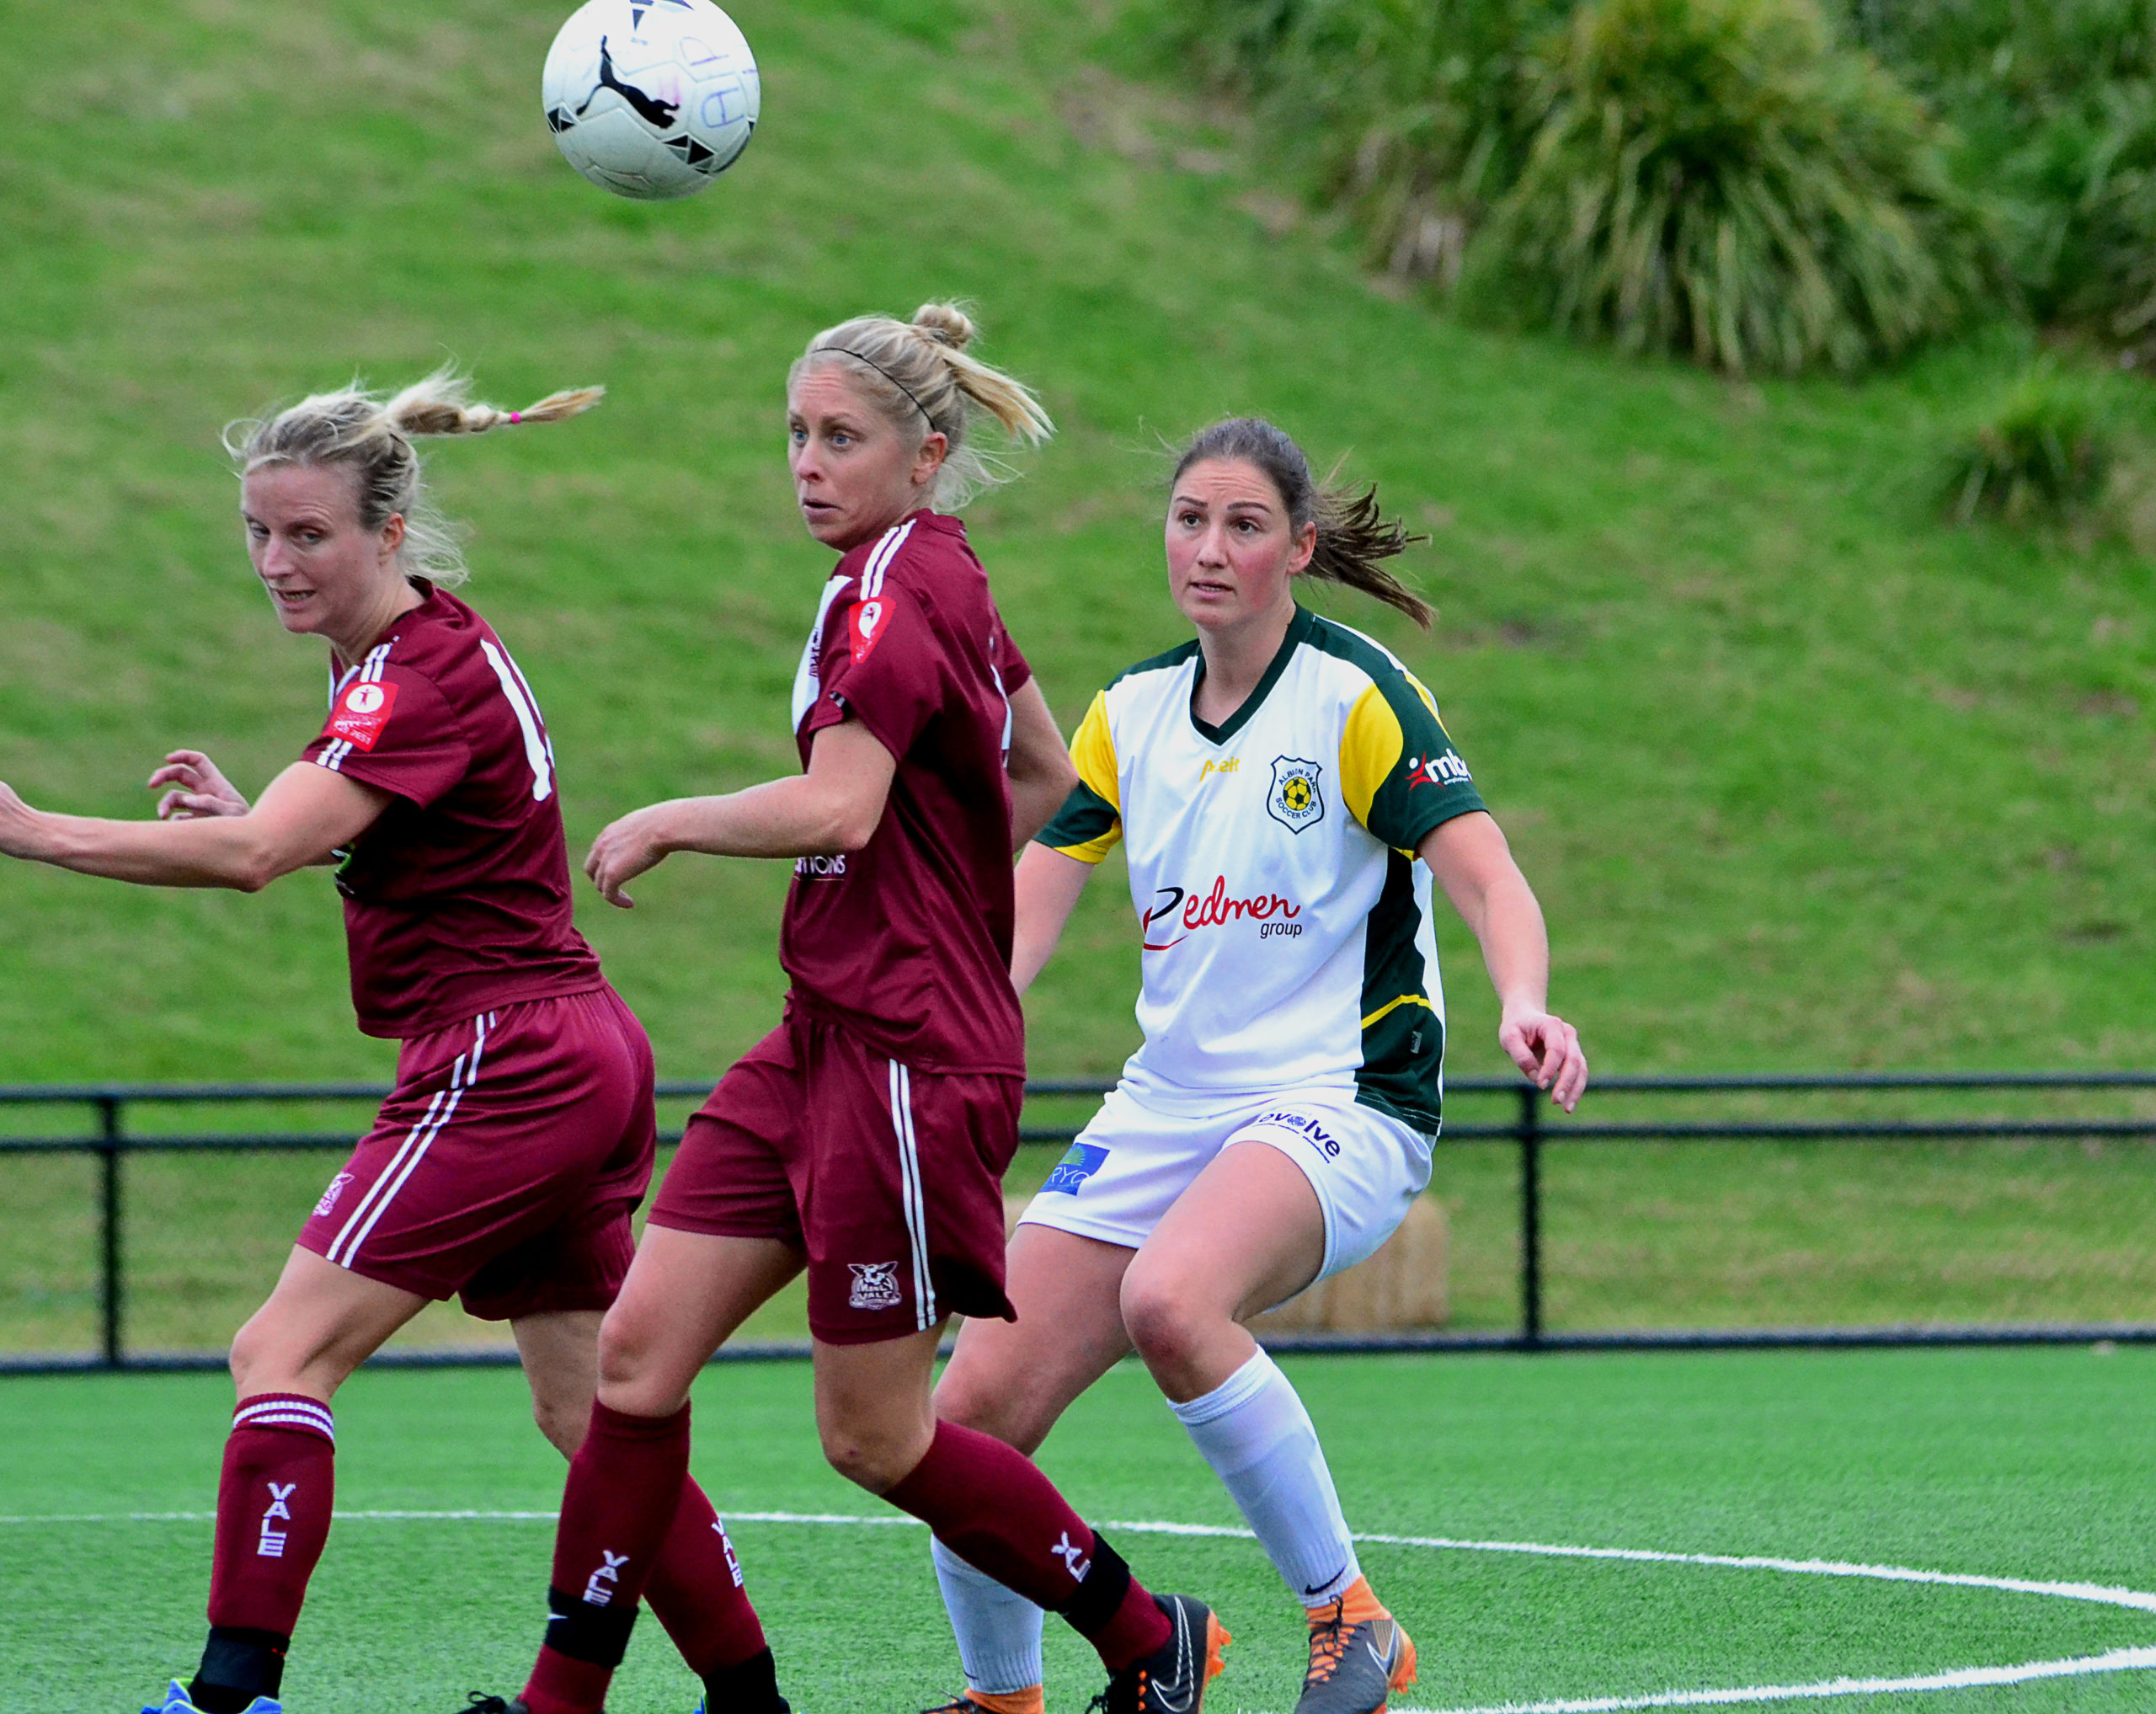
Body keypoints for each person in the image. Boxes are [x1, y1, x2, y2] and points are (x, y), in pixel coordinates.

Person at [458, 306, 1231, 1714]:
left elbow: (841, 803)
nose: (807, 464)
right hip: (824, 1035)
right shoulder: (922, 572)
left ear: (928, 454)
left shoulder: (897, 588)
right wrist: (938, 883)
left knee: (875, 1439)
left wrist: (671, 821)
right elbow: (1050, 775)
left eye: (842, 438)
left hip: (904, 1060)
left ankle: (1144, 1635)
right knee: (633, 1356)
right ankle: (562, 1704)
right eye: (796, 436)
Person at [0, 373, 775, 1714]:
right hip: (574, 1048)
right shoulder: (423, 652)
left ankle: (231, 1691)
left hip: (508, 1061)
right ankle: (749, 1697)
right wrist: (282, 822)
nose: (275, 563)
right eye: (257, 531)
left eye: (308, 535)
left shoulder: (409, 675)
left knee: (279, 1355)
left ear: (389, 527)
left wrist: (31, 830)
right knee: (592, 1414)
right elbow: (377, 840)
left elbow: (251, 860)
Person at [921, 418, 1589, 1714]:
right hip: (1171, 1105)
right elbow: (1028, 912)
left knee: (1174, 1301)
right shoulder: (1131, 714)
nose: (1209, 548)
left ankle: (1349, 1618)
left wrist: (1527, 1003)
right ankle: (1003, 1697)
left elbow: (1490, 875)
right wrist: (934, 1023)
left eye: (1241, 525)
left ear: (1298, 547)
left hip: (1342, 1099)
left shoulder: (1357, 696)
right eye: (1188, 519)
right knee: (959, 1420)